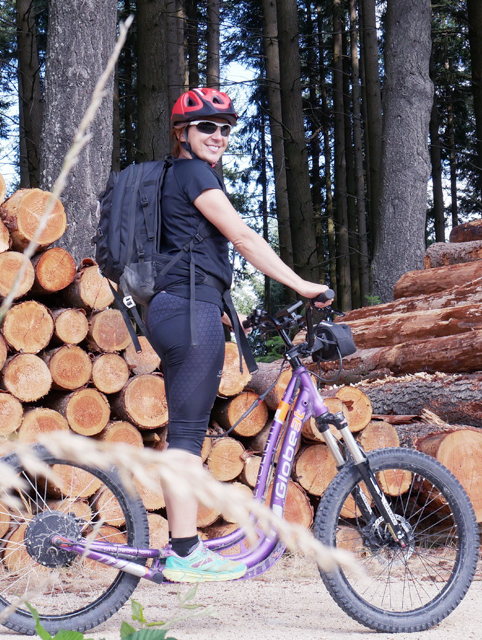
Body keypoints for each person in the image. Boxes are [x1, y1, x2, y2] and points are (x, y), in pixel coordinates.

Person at [147, 88, 330, 583]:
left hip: (180, 308)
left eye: (226, 128)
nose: (219, 136)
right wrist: (301, 284)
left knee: (184, 432)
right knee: (185, 436)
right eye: (207, 126)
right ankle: (185, 553)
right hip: (187, 312)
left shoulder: (171, 179)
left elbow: (184, 256)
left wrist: (227, 315)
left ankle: (183, 548)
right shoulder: (193, 174)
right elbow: (243, 237)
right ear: (182, 133)